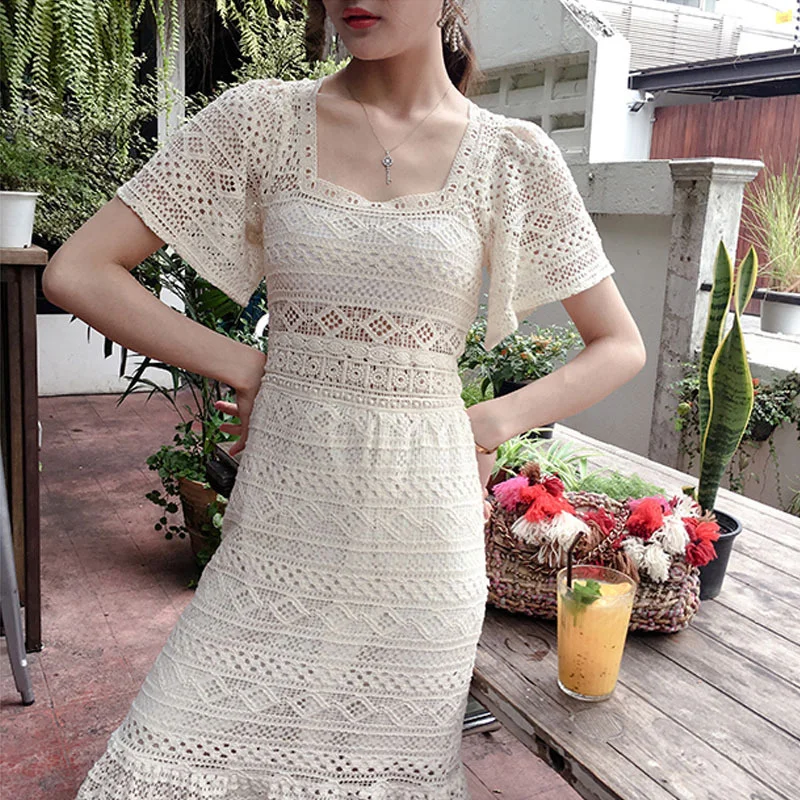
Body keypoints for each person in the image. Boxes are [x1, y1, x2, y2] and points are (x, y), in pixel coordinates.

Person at [43, 0, 646, 797]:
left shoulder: (512, 155)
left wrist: (486, 421)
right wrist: (248, 366)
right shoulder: (260, 120)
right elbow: (78, 270)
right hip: (278, 530)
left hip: (423, 546)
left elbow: (619, 344)